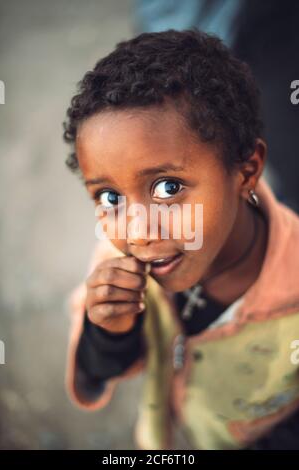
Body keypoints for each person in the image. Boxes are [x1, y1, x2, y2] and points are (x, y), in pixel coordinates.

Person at [62, 29, 299, 450]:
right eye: (110, 197)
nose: (137, 232)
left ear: (246, 171)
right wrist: (109, 333)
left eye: (168, 188)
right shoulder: (113, 262)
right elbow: (93, 378)